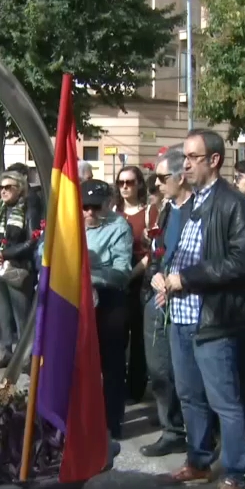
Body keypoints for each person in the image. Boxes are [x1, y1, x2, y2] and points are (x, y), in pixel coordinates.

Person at [154, 128, 245, 489]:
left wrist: (186, 278)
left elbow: (240, 262)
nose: (185, 165)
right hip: (179, 315)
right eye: (184, 158)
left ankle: (235, 478)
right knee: (189, 396)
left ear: (214, 160)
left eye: (193, 158)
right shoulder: (187, 204)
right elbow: (174, 252)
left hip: (214, 319)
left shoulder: (232, 204)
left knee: (225, 403)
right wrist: (162, 274)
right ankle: (198, 462)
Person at [140, 145, 191, 457]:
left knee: (187, 376)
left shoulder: (199, 209)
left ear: (180, 176)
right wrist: (155, 277)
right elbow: (159, 251)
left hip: (186, 299)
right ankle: (171, 428)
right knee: (158, 370)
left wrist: (176, 282)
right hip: (158, 300)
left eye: (160, 177)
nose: (155, 184)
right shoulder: (168, 209)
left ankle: (198, 433)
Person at [82, 179, 133, 438]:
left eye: (95, 207)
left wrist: (87, 274)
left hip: (109, 301)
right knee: (79, 365)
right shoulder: (69, 221)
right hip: (77, 301)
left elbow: (121, 271)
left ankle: (112, 424)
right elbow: (46, 248)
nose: (90, 213)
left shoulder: (118, 226)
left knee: (111, 365)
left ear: (107, 204)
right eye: (85, 207)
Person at [112, 165, 158, 403]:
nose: (125, 187)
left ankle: (136, 388)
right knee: (117, 337)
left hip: (139, 280)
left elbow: (153, 251)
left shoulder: (150, 212)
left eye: (130, 182)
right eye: (121, 183)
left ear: (139, 184)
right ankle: (116, 386)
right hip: (116, 282)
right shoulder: (112, 211)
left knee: (139, 338)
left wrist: (132, 273)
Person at [0, 171, 41, 368]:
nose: (3, 191)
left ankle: (26, 357)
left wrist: (5, 255)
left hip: (18, 269)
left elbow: (32, 240)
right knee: (2, 314)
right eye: (0, 187)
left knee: (22, 315)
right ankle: (6, 353)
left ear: (20, 189)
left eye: (8, 187)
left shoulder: (28, 210)